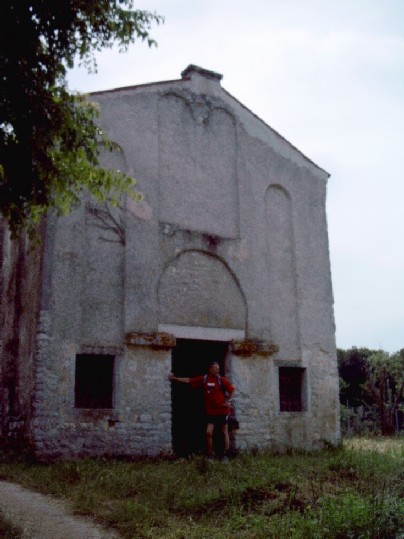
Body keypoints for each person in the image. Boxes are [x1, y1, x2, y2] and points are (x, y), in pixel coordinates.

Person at [169, 362, 235, 461]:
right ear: (210, 369)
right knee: (208, 433)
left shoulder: (221, 380)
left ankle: (225, 454)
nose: (217, 370)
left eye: (218, 368)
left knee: (224, 432)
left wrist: (229, 401)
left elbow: (232, 390)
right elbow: (188, 380)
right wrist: (175, 378)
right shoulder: (204, 379)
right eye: (215, 368)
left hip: (222, 411)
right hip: (211, 412)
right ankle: (210, 454)